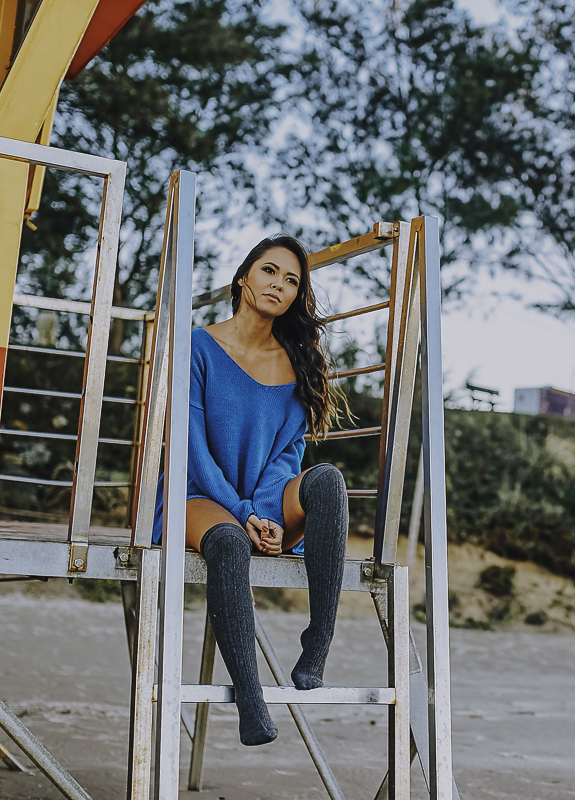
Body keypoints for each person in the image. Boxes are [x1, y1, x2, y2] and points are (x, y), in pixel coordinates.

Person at [152, 234, 348, 746]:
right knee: (227, 543)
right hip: (198, 494)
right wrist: (242, 515)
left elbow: (287, 456)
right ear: (244, 277)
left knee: (326, 479)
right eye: (269, 271)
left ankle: (318, 639)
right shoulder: (198, 346)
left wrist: (267, 514)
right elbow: (191, 451)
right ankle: (250, 697)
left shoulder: (298, 362)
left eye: (291, 281)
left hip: (261, 502)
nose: (278, 286)